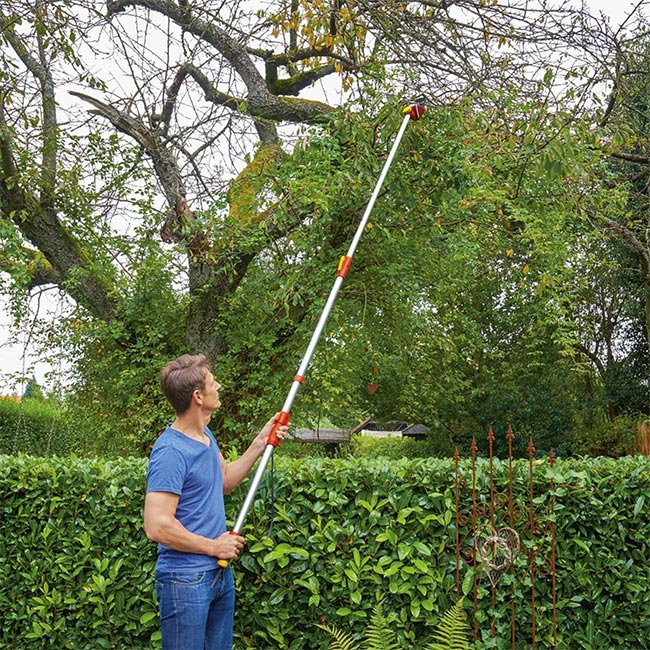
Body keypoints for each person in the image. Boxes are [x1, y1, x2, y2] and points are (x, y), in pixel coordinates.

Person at [144, 353, 288, 650]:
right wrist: (213, 547)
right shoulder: (171, 451)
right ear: (198, 396)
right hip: (185, 580)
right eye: (212, 382)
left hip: (218, 574)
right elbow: (156, 526)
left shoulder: (205, 436)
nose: (219, 386)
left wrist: (260, 442)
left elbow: (223, 481)